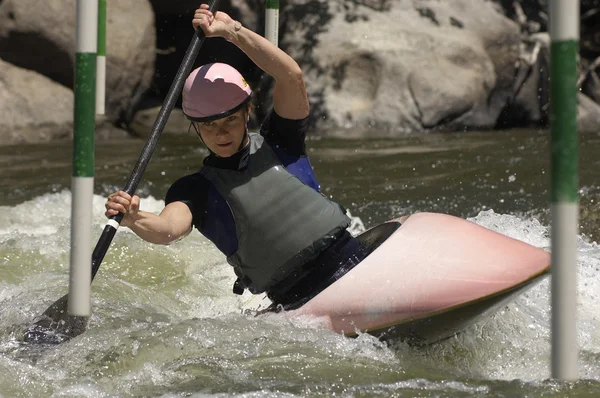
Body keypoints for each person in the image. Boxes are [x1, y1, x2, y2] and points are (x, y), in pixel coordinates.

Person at [105, 3, 381, 310]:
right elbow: (167, 229)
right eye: (209, 126)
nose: (221, 134)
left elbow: (290, 75)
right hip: (296, 302)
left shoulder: (281, 140)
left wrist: (232, 32)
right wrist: (133, 217)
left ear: (248, 111)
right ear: (195, 127)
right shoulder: (194, 190)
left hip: (354, 262)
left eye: (230, 121)